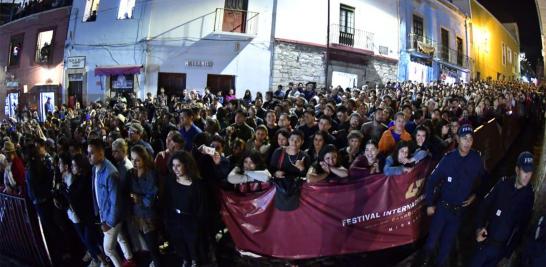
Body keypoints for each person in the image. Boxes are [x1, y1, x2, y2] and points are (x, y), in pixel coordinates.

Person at [421, 125, 487, 266]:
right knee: (432, 242)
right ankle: (425, 261)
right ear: (457, 139)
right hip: (442, 208)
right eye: (464, 138)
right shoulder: (448, 159)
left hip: (458, 212)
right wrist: (430, 203)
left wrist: (475, 195)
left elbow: (485, 180)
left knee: (446, 245)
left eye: (470, 138)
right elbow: (431, 181)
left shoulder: (476, 159)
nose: (467, 142)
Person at [469, 152, 535, 267]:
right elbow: (484, 205)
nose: (527, 176)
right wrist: (479, 227)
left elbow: (522, 227)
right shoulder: (503, 184)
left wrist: (508, 254)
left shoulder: (529, 196)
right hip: (485, 241)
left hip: (500, 251)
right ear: (517, 170)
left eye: (530, 172)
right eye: (525, 171)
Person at [88, 139, 135, 267]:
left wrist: (109, 222)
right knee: (120, 237)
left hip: (112, 216)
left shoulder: (110, 173)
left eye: (91, 153)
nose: (88, 156)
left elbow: (116, 203)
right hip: (106, 213)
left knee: (108, 248)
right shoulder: (95, 169)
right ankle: (130, 259)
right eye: (88, 153)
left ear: (101, 153)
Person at [57, 153, 108, 266]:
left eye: (74, 165)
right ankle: (104, 261)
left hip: (91, 215)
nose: (72, 168)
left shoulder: (86, 178)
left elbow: (74, 197)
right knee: (93, 240)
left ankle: (106, 261)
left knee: (92, 240)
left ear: (80, 166)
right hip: (86, 216)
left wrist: (64, 190)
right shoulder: (79, 178)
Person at [165, 151, 208, 266]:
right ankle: (186, 259)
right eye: (173, 165)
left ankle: (194, 261)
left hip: (191, 220)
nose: (175, 169)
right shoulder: (171, 181)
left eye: (178, 165)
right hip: (175, 219)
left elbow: (201, 207)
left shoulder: (197, 185)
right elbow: (168, 201)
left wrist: (197, 222)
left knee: (193, 243)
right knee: (179, 242)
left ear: (186, 165)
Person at [127, 145, 162, 267]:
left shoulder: (150, 174)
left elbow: (149, 200)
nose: (134, 162)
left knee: (153, 246)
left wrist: (138, 198)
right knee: (148, 244)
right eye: (132, 159)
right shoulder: (131, 173)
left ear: (144, 159)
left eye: (137, 160)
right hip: (138, 215)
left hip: (149, 216)